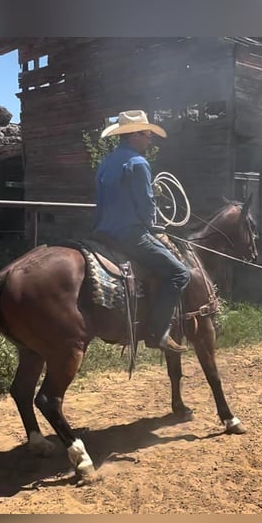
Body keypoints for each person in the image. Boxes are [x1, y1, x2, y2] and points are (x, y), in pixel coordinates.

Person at [93, 110, 190, 353]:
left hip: (103, 232)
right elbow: (146, 203)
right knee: (180, 273)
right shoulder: (138, 163)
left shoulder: (106, 162)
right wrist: (153, 226)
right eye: (147, 134)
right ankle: (158, 332)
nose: (150, 139)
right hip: (130, 235)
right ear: (134, 135)